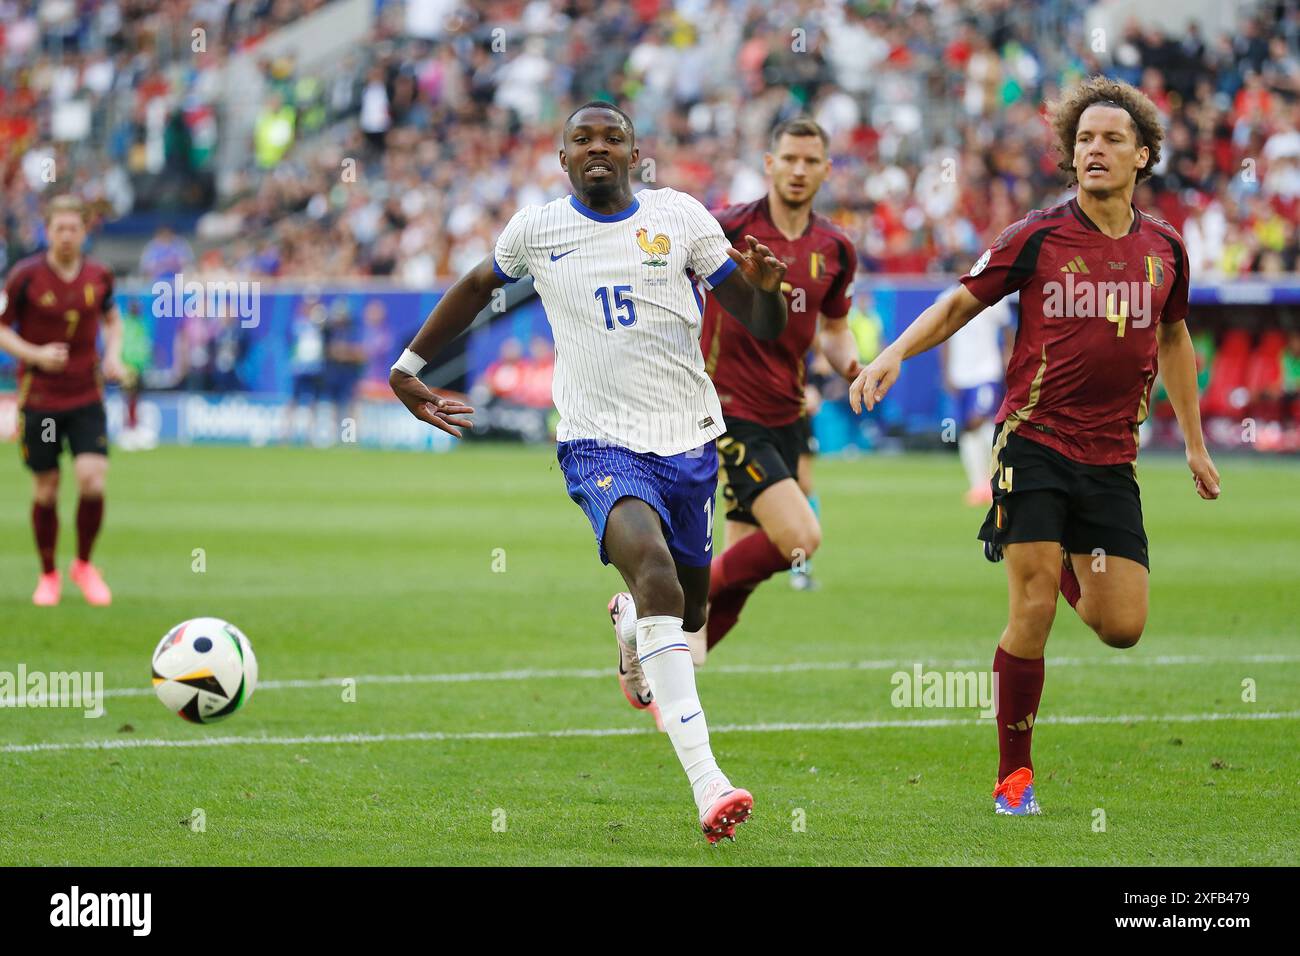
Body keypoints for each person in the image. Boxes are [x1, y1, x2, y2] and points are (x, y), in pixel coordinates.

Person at [389, 101, 789, 843]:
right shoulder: (537, 230)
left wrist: (765, 292)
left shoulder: (682, 218)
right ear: (561, 157)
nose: (598, 148)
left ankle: (631, 623)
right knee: (663, 585)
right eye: (583, 139)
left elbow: (760, 325)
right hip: (598, 446)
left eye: (613, 138)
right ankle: (709, 783)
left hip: (689, 444)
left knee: (687, 614)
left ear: (637, 153)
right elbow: (478, 286)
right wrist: (409, 367)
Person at [850, 77, 1221, 816]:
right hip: (1034, 445)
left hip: (1113, 456)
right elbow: (961, 299)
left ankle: (1064, 569)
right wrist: (895, 351)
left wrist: (1197, 446)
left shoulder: (1166, 250)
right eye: (1084, 139)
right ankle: (1013, 777)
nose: (1095, 149)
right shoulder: (1037, 236)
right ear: (1069, 153)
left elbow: (1175, 338)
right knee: (1032, 608)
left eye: (1112, 139)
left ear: (1143, 155)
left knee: (1122, 628)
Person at [686, 118, 860, 662]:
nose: (799, 170)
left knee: (741, 573)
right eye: (789, 159)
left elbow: (833, 330)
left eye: (811, 161)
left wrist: (857, 368)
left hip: (788, 412)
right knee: (800, 539)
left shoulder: (836, 248)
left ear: (827, 170)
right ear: (770, 164)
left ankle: (667, 678)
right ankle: (661, 610)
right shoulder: (725, 228)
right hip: (727, 410)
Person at [0, 195, 125, 605]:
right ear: (47, 230)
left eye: (74, 228)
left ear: (84, 230)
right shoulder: (24, 277)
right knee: (47, 489)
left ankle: (85, 565)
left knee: (92, 480)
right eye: (59, 229)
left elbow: (111, 316)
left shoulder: (100, 275)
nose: (67, 236)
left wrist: (112, 356)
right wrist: (35, 355)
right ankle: (49, 574)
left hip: (86, 394)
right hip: (41, 399)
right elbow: (2, 328)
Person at [941, 288, 1014, 505]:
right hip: (960, 373)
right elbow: (943, 337)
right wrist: (946, 372)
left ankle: (997, 482)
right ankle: (978, 485)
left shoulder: (993, 295)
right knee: (966, 429)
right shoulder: (946, 299)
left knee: (980, 420)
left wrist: (1008, 354)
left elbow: (1008, 328)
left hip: (986, 371)